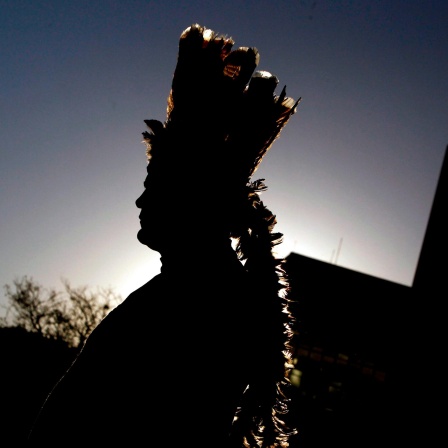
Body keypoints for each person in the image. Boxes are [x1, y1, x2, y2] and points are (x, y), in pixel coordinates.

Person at [27, 24, 300, 447]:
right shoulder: (199, 290)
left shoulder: (199, 300)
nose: (140, 201)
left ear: (192, 195)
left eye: (154, 185)